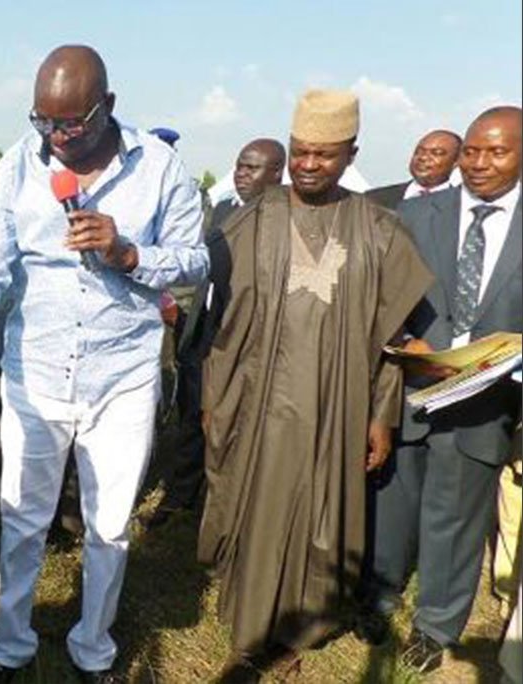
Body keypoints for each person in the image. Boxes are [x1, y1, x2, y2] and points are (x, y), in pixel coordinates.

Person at [0, 45, 207, 683]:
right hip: (36, 376)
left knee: (109, 528)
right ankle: (10, 648)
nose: (54, 138)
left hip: (123, 379)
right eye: (42, 122)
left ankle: (93, 650)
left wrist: (129, 253)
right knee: (23, 518)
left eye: (71, 124)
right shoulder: (18, 169)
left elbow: (196, 261)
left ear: (107, 106)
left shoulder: (159, 168)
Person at [198, 89, 432, 680]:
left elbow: (394, 336)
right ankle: (252, 634)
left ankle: (299, 628)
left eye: (323, 155)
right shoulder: (255, 217)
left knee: (318, 515)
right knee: (256, 509)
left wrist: (382, 413)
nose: (307, 165)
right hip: (257, 402)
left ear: (350, 153)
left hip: (337, 405)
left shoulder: (377, 228)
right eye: (300, 151)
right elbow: (213, 311)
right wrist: (212, 394)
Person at [362, 106, 522, 674]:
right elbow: (379, 292)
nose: (479, 163)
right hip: (412, 386)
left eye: (496, 152)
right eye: (472, 151)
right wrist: (407, 338)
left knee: (455, 517)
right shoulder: (415, 213)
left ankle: (434, 627)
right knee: (393, 498)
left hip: (487, 399)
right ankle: (378, 595)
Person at [147, 138, 286, 529]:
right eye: (240, 166)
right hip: (205, 330)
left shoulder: (285, 223)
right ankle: (181, 497)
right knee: (191, 414)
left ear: (276, 174)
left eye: (252, 168)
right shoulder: (223, 209)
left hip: (249, 339)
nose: (241, 174)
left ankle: (232, 507)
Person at [366, 130, 462, 210]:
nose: (423, 157)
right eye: (419, 151)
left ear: (456, 161)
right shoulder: (373, 200)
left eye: (436, 153)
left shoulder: (461, 205)